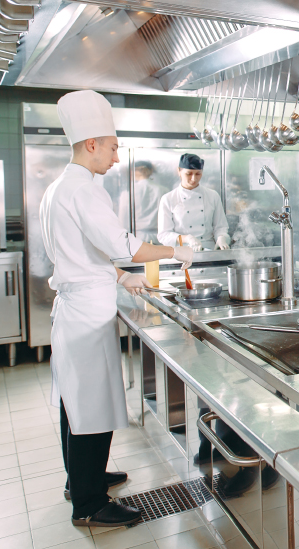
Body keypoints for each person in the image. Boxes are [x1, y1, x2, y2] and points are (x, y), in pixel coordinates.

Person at [39, 90, 195, 527]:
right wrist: (175, 252)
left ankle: (82, 477)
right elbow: (120, 245)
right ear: (91, 144)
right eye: (111, 145)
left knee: (79, 402)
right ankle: (88, 504)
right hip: (86, 313)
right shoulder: (84, 190)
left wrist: (117, 276)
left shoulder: (60, 187)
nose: (116, 152)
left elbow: (83, 255)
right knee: (89, 403)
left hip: (80, 305)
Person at [157, 153, 230, 251]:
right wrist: (187, 238)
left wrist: (221, 238)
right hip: (182, 253)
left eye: (198, 174)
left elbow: (221, 227)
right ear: (179, 171)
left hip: (209, 251)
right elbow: (164, 235)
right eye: (189, 174)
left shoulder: (213, 196)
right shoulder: (168, 199)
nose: (193, 179)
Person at [119, 160, 163, 243]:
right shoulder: (163, 190)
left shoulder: (128, 192)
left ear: (133, 171)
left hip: (136, 237)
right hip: (158, 237)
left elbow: (122, 220)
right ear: (151, 171)